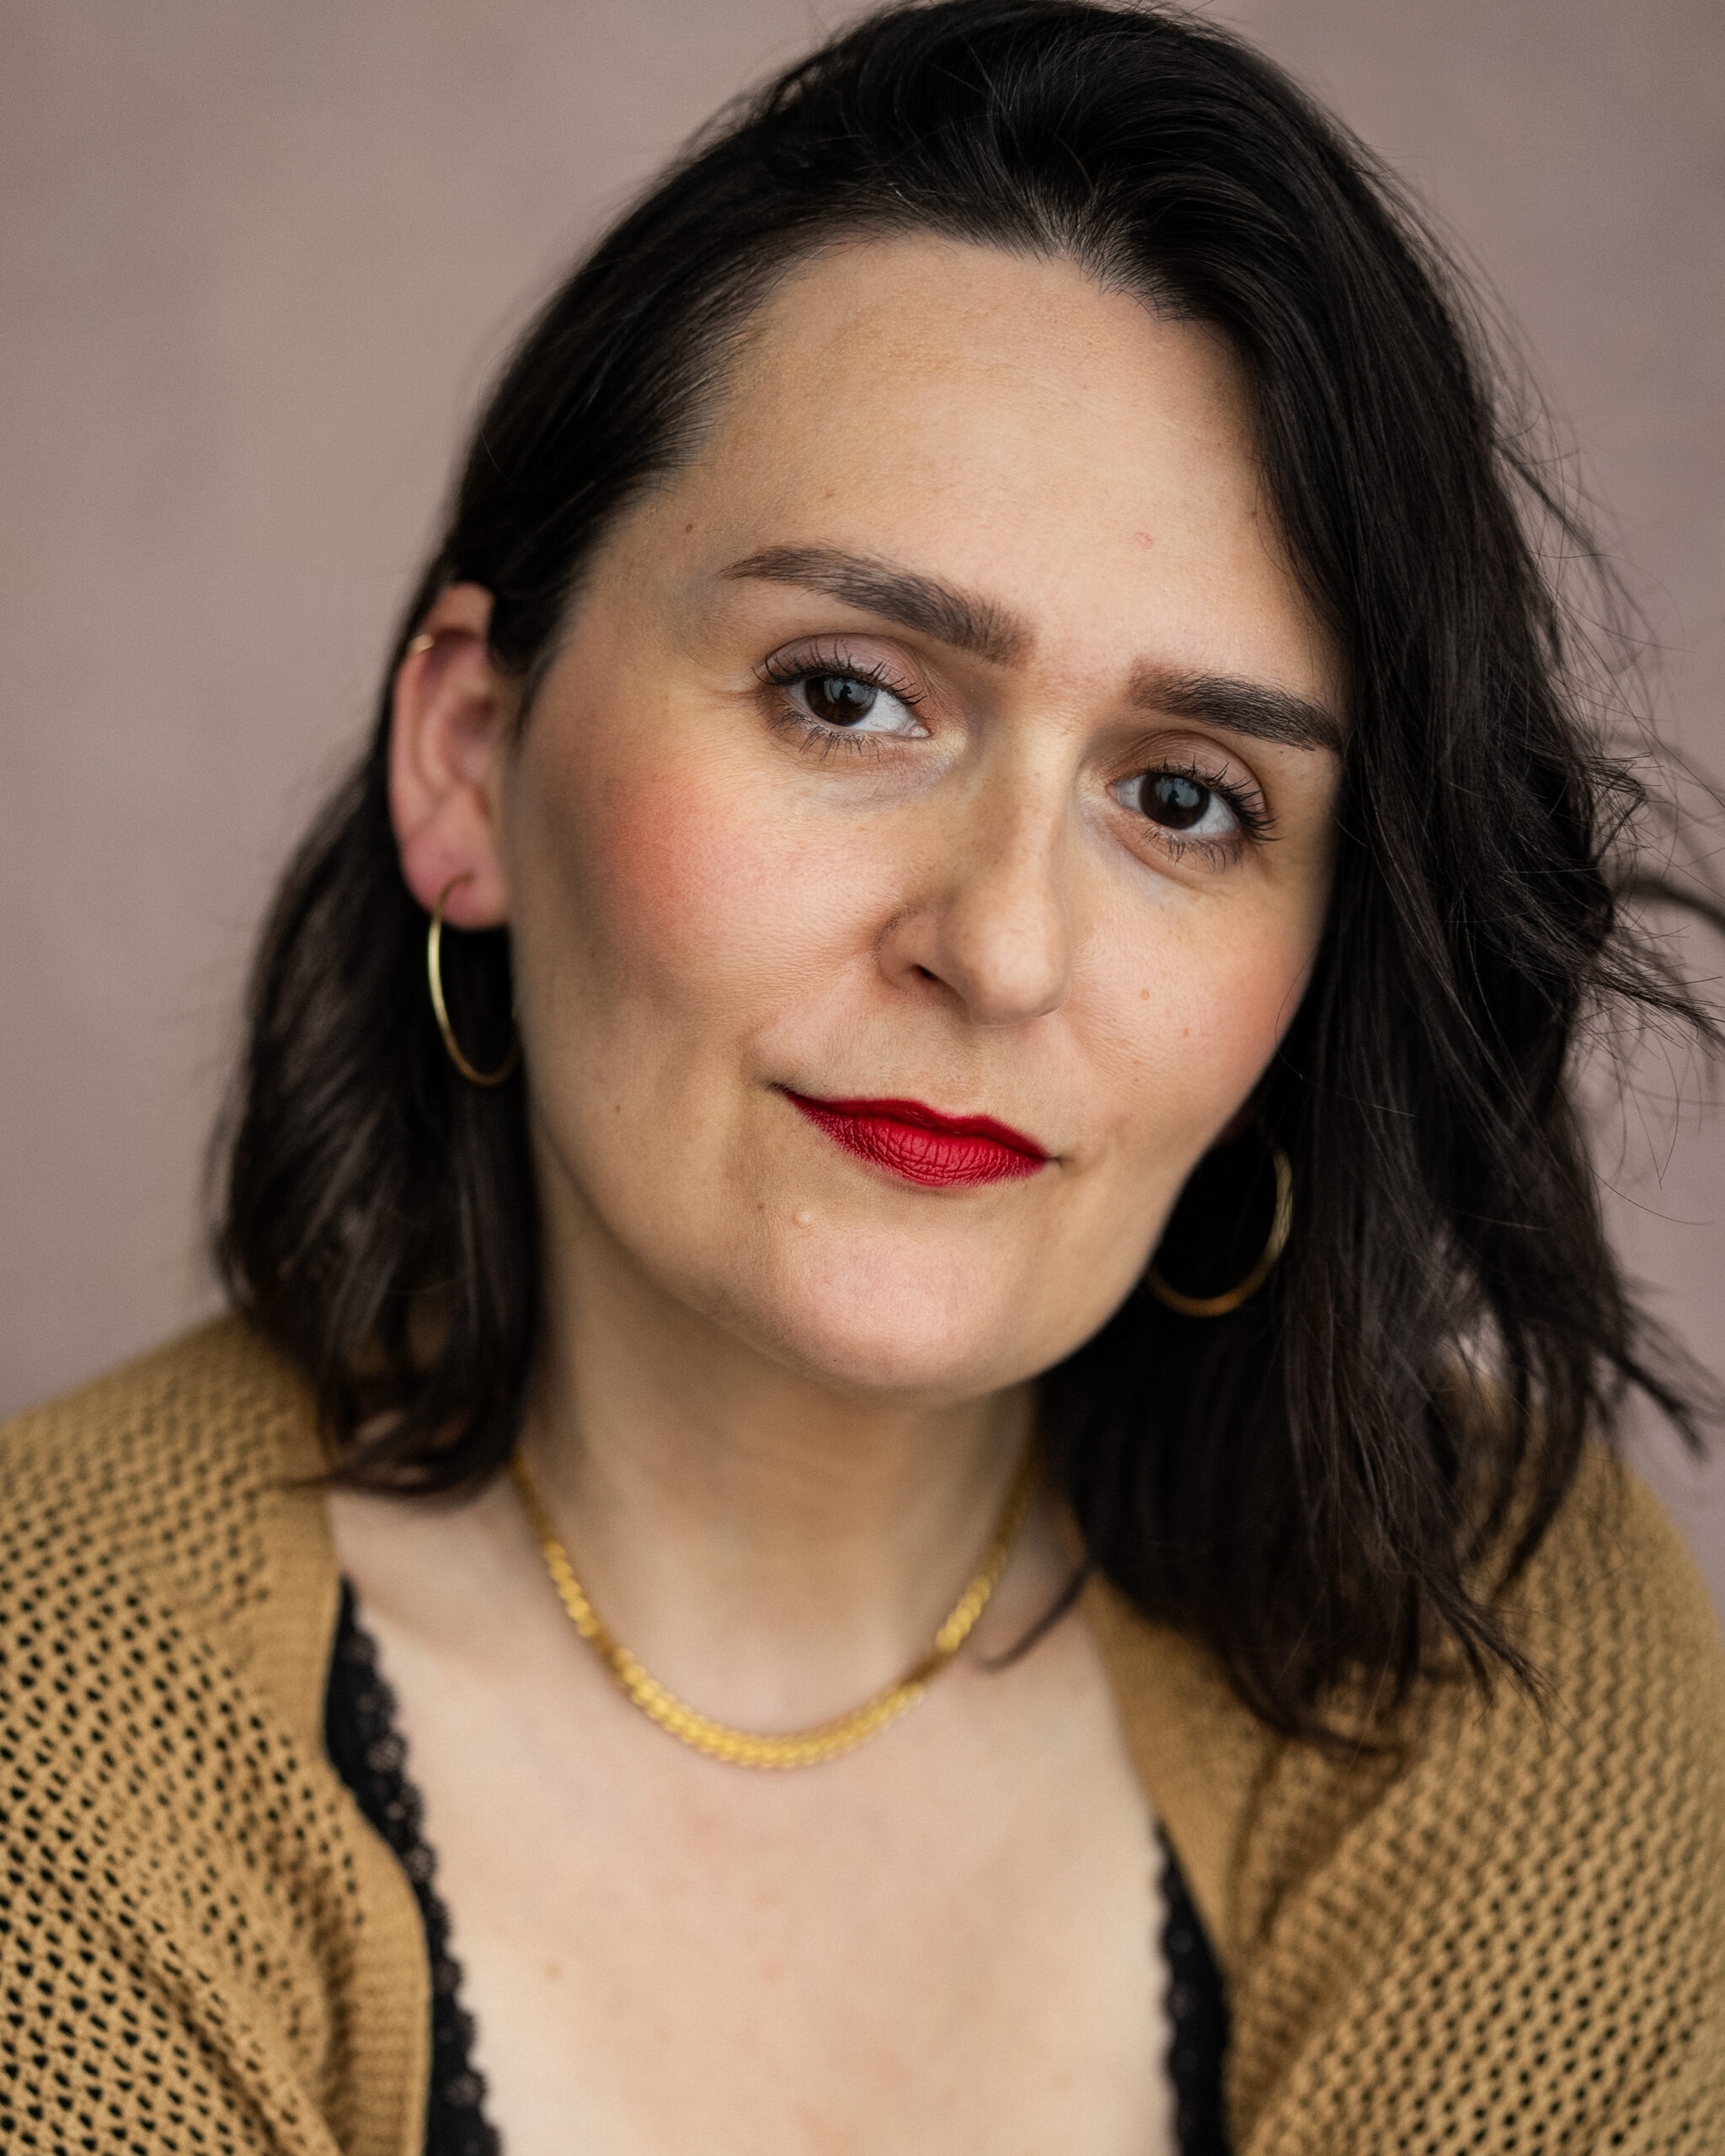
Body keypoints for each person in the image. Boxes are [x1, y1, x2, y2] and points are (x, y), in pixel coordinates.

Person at [3, 3, 1722, 2150]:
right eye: (846, 695)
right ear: (467, 757)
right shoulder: (48, 1712)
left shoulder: (1500, 1619)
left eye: (1186, 798)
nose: (998, 946)